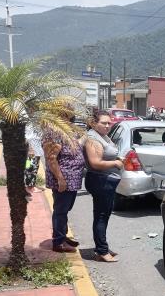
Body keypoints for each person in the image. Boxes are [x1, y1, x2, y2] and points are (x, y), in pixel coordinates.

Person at [84, 111, 124, 262]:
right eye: (104, 123)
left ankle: (102, 247)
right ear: (95, 124)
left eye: (109, 123)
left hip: (105, 180)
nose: (107, 126)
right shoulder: (93, 139)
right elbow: (95, 163)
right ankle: (101, 251)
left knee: (103, 215)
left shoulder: (101, 136)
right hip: (100, 181)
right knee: (101, 216)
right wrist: (115, 163)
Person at [42, 116, 85, 253]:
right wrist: (60, 179)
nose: (71, 119)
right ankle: (58, 242)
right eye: (68, 115)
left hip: (72, 180)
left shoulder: (65, 130)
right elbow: (51, 158)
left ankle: (63, 236)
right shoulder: (54, 132)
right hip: (64, 180)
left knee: (65, 209)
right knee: (60, 211)